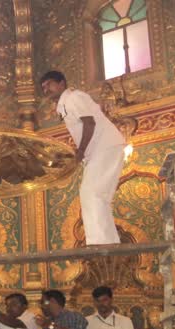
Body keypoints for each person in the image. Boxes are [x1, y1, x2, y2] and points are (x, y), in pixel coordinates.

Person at [40, 70, 126, 246]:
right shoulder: (64, 104)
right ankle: (107, 242)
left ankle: (100, 244)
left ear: (62, 83)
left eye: (49, 84)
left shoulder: (73, 97)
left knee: (92, 193)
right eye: (43, 87)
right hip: (101, 149)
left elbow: (89, 122)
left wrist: (80, 152)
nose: (46, 90)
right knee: (96, 195)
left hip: (105, 146)